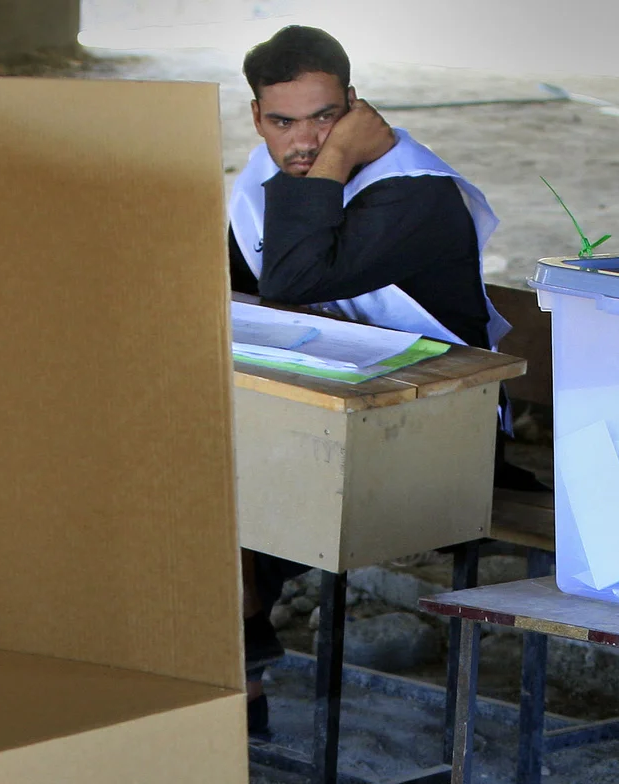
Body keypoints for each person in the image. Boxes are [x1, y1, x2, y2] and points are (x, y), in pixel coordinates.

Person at [228, 24, 507, 737]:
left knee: (231, 473)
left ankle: (243, 657)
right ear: (254, 118)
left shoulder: (414, 191)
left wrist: (339, 161)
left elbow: (293, 279)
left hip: (437, 431)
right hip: (326, 421)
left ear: (356, 108)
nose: (305, 142)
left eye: (326, 119)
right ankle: (241, 662)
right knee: (194, 453)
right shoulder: (259, 191)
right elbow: (235, 306)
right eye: (283, 122)